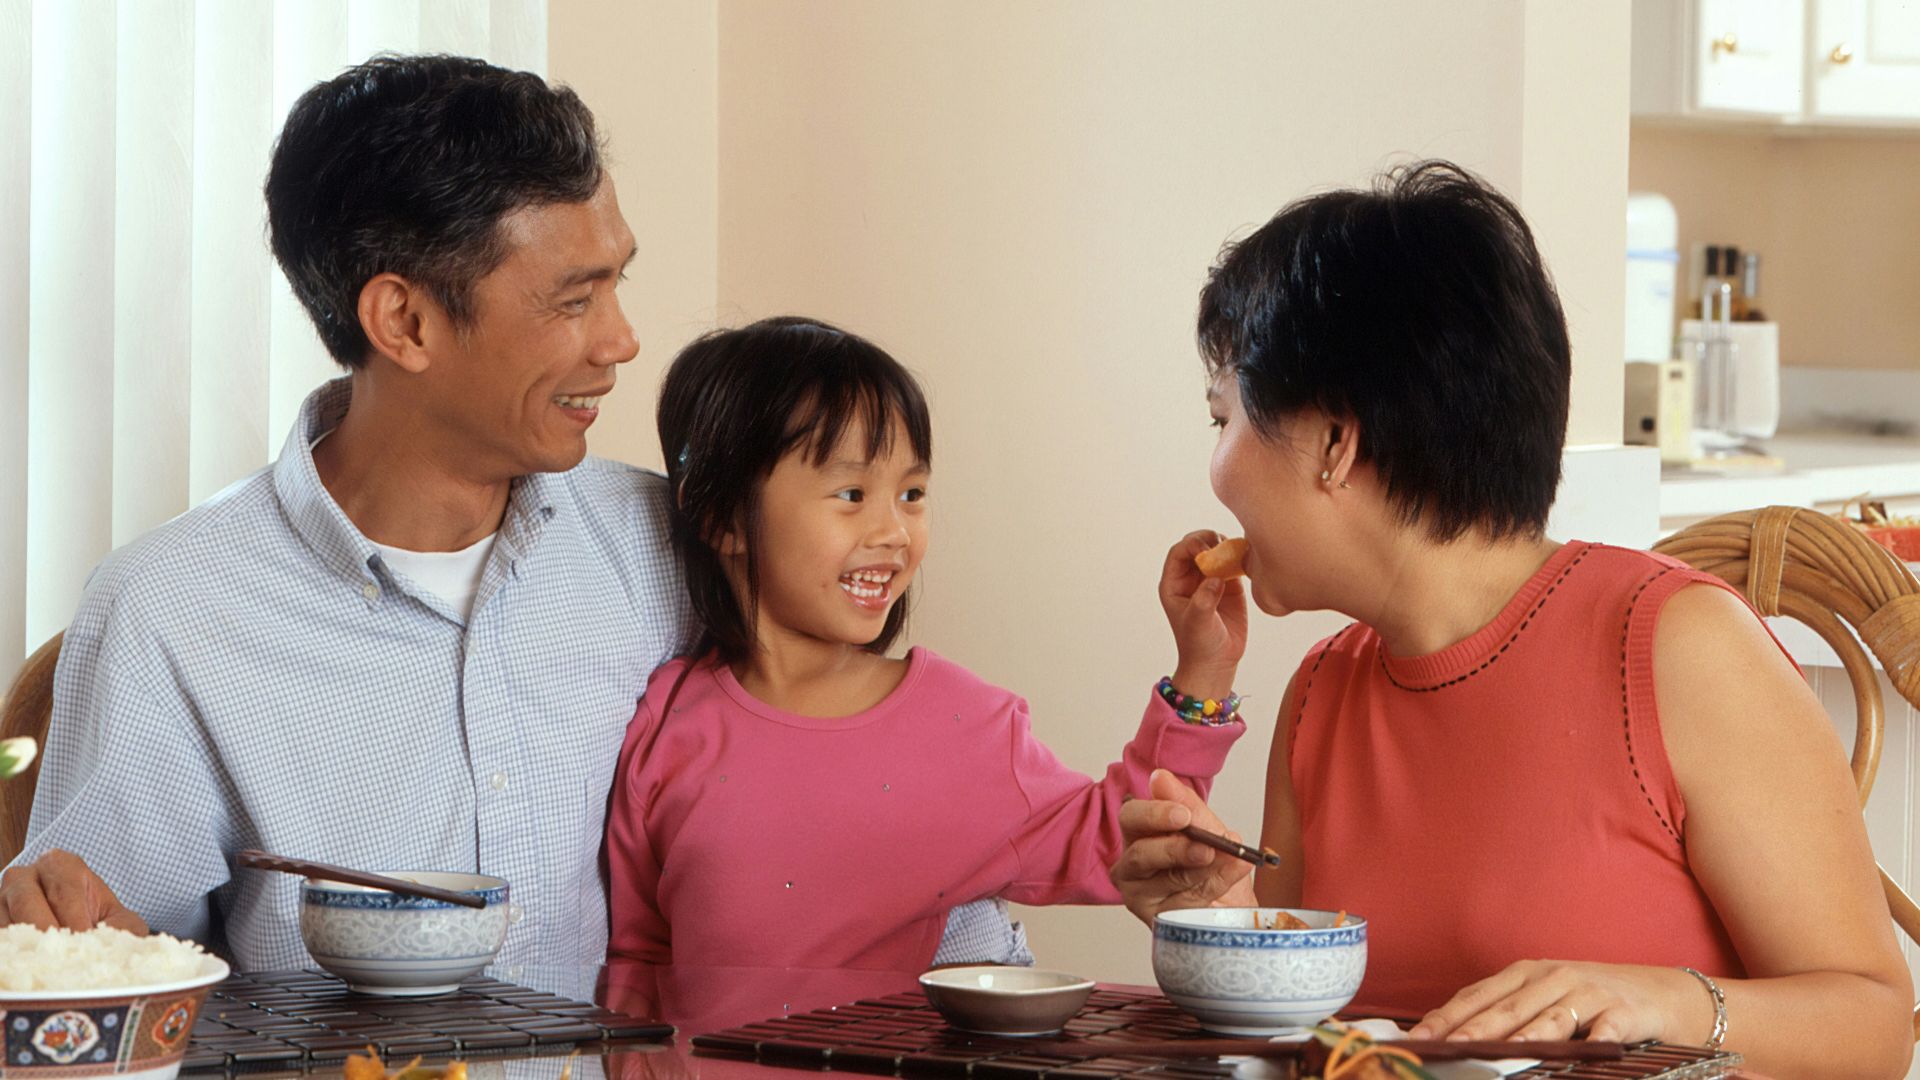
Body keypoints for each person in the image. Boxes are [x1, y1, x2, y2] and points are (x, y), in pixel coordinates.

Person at [0, 55, 1014, 978]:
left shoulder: (683, 546)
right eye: (574, 301)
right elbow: (103, 975)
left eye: (618, 281)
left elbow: (889, 795)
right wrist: (85, 959)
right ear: (405, 321)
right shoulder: (171, 615)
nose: (621, 341)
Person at [1108, 161, 1913, 1079]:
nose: (1215, 467)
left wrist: (1663, 999)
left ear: (1337, 441)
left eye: (1224, 419)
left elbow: (1875, 1031)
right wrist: (1223, 911)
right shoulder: (1322, 692)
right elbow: (1321, 1045)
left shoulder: (1680, 649)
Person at [602, 317, 1249, 1030]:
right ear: (722, 516)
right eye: (851, 495)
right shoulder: (665, 719)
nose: (893, 532)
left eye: (911, 494)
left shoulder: (965, 723)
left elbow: (1123, 837)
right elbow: (637, 961)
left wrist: (1203, 671)